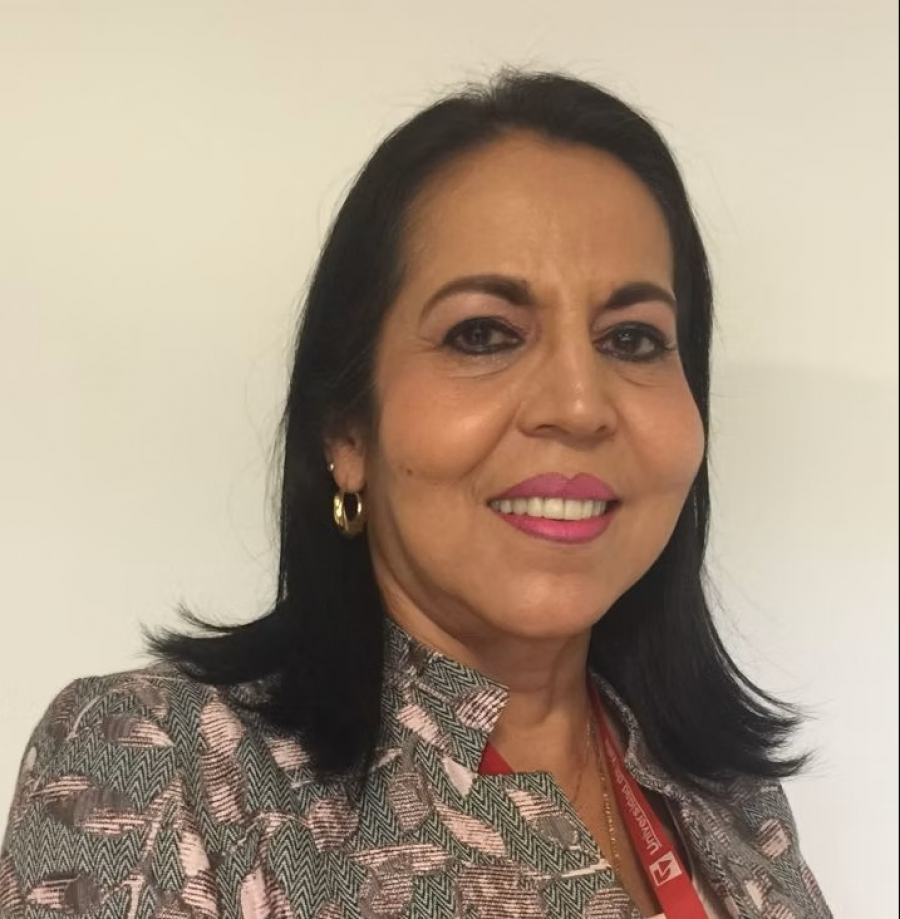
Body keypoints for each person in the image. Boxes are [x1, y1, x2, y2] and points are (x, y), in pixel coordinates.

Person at [0, 70, 832, 919]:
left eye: (632, 339)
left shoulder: (731, 801)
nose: (580, 405)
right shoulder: (165, 763)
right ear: (346, 433)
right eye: (484, 333)